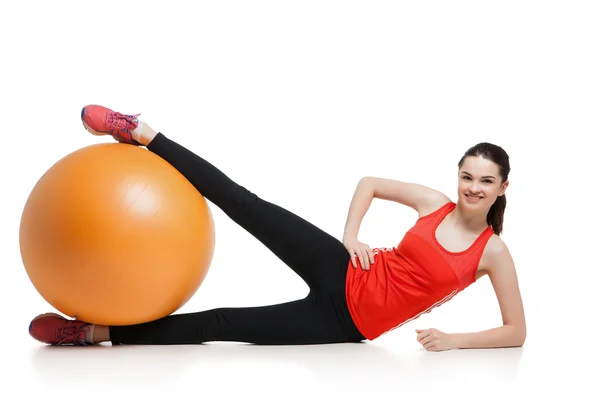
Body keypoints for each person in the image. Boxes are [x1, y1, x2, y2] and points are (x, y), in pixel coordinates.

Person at [28, 105, 526, 351]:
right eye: (467, 176)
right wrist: (352, 238)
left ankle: (90, 333)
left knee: (220, 324)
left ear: (502, 188)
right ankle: (140, 130)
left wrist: (453, 340)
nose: (472, 188)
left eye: (485, 181)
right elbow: (369, 183)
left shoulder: (492, 253)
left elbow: (516, 333)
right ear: (457, 177)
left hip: (344, 324)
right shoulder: (434, 204)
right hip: (341, 266)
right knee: (243, 203)